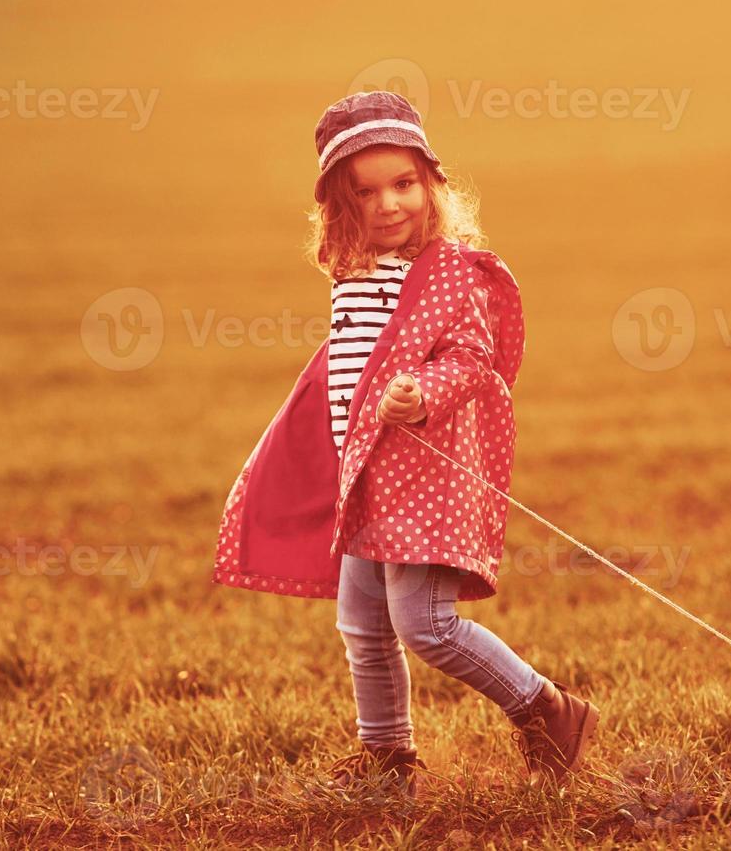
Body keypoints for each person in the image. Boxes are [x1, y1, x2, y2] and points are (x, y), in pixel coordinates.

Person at [211, 90, 599, 801]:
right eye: (366, 192)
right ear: (340, 205)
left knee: (426, 624)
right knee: (362, 622)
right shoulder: (354, 274)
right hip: (365, 480)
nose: (390, 204)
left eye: (404, 183)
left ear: (431, 184)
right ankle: (387, 758)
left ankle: (550, 710)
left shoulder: (448, 269)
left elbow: (472, 358)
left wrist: (424, 394)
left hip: (423, 478)